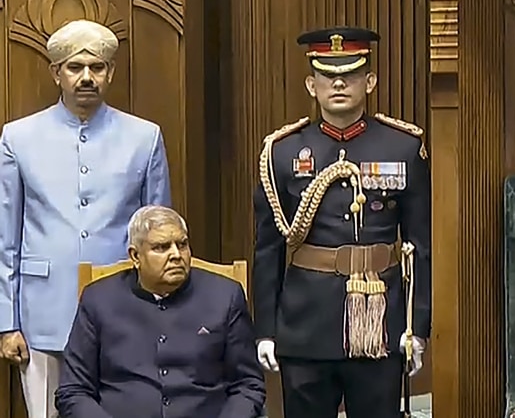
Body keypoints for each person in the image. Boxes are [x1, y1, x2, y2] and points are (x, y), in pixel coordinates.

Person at [252, 27, 431, 418]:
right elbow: (267, 249)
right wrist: (264, 329)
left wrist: (417, 328)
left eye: (350, 75)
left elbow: (420, 247)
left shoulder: (402, 146)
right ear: (310, 85)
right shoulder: (282, 152)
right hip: (306, 323)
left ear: (369, 82)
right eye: (327, 76)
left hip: (379, 322)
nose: (338, 83)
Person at [0, 19, 171, 418]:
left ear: (110, 72)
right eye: (75, 68)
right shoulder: (18, 137)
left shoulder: (144, 137)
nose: (86, 77)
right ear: (56, 73)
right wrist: (7, 322)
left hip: (124, 312)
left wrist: (160, 312)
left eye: (97, 67)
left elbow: (160, 236)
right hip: (42, 313)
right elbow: (5, 237)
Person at [54, 206, 264, 417]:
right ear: (135, 256)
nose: (176, 255)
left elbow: (248, 385)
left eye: (182, 244)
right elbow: (74, 390)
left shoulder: (225, 296)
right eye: (161, 247)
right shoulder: (98, 300)